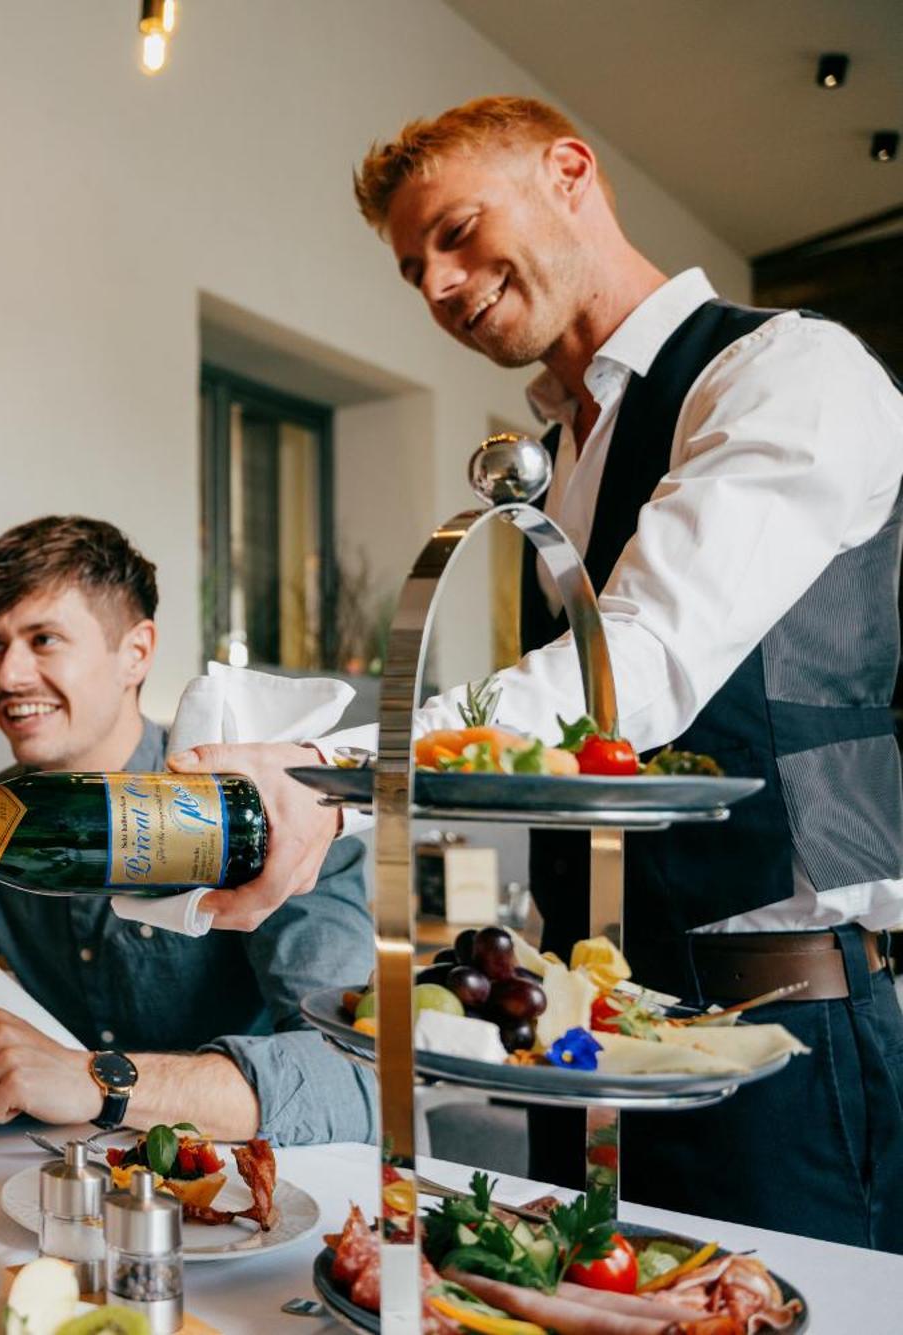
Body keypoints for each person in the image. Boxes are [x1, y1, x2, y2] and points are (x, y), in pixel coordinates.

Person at [185, 96, 903, 1248]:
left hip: (782, 1037)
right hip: (585, 1036)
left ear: (569, 171)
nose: (435, 285)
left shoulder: (788, 372)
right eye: (413, 267)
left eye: (458, 232)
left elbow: (638, 664)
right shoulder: (564, 454)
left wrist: (333, 776)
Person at [0, 516, 376, 1144]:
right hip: (59, 1188)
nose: (8, 677)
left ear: (136, 653)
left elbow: (359, 1076)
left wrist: (100, 1081)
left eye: (43, 639)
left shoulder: (268, 813)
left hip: (258, 1185)